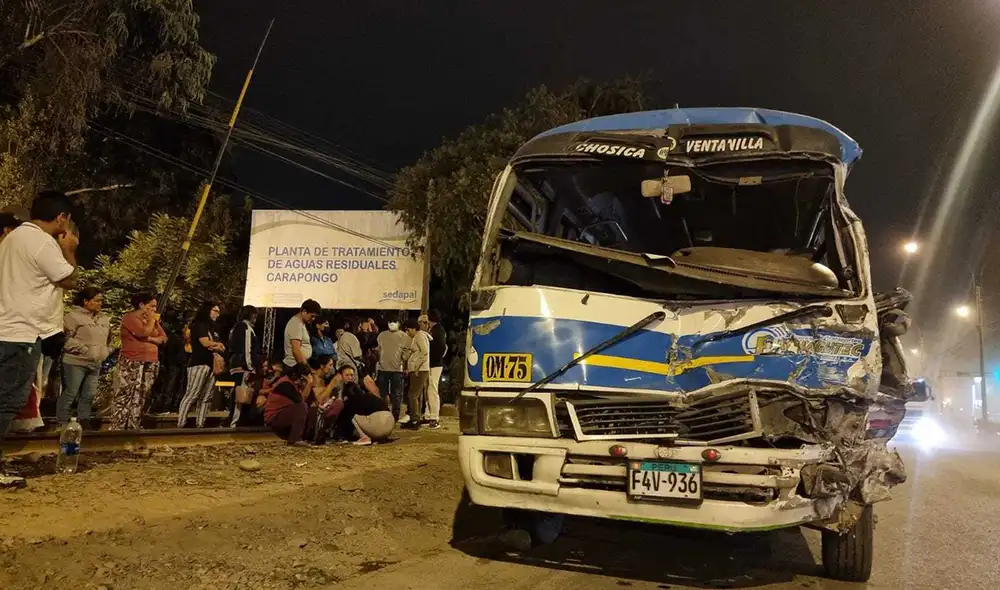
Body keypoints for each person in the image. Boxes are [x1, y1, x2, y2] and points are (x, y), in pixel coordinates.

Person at [0, 191, 79, 442]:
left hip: (6, 326)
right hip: (22, 333)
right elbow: (69, 279)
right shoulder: (42, 242)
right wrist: (69, 250)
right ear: (61, 218)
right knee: (8, 401)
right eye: (67, 220)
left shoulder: (13, 239)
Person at [111, 292, 167, 430]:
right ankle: (118, 426)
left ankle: (133, 424)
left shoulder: (153, 321)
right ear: (142, 305)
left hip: (150, 360)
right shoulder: (130, 317)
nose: (154, 309)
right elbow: (143, 332)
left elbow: (163, 338)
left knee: (142, 394)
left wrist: (150, 339)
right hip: (132, 359)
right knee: (126, 393)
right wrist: (151, 323)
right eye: (152, 306)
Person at [57, 287, 111, 427]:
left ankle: (84, 421)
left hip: (95, 362)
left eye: (101, 301)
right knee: (71, 393)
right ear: (86, 301)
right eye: (97, 300)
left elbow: (108, 338)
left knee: (89, 395)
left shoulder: (104, 319)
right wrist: (83, 349)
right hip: (75, 362)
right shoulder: (72, 317)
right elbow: (64, 339)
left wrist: (106, 351)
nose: (100, 303)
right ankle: (61, 422)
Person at [178, 301, 225, 428]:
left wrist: (215, 345)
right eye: (215, 311)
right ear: (207, 311)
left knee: (207, 396)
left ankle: (200, 424)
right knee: (193, 393)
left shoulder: (211, 328)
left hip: (210, 365)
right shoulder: (199, 326)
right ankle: (181, 423)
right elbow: (205, 343)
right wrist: (218, 345)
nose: (217, 314)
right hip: (198, 364)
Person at [336, 365, 394, 445]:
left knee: (351, 415)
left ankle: (364, 437)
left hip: (380, 423)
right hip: (390, 424)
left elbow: (348, 412)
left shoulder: (351, 390)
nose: (350, 378)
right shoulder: (360, 390)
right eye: (347, 375)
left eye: (351, 375)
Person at [262, 362, 313, 446]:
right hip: (274, 417)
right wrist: (309, 384)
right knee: (302, 407)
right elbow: (301, 400)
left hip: (284, 414)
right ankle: (295, 439)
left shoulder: (294, 384)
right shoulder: (285, 383)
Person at [227, 305, 260, 428]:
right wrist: (249, 366)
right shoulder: (245, 327)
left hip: (237, 365)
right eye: (254, 314)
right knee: (241, 395)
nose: (256, 317)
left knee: (238, 393)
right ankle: (235, 423)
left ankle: (235, 421)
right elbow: (247, 348)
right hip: (242, 366)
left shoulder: (237, 327)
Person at [401, 318, 431, 431]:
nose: (407, 332)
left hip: (420, 370)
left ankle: (415, 419)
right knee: (413, 394)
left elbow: (424, 352)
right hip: (417, 369)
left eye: (408, 330)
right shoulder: (416, 337)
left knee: (413, 395)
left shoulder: (419, 336)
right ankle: (414, 417)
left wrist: (417, 366)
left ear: (413, 328)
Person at [376, 321, 408, 421]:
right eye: (390, 322)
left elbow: (407, 352)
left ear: (398, 323)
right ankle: (383, 412)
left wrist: (404, 362)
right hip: (383, 368)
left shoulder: (404, 336)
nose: (391, 324)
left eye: (394, 322)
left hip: (397, 369)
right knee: (382, 393)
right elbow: (378, 349)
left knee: (397, 393)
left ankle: (395, 415)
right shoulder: (382, 335)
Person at [422, 310, 448, 429]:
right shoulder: (434, 330)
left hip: (435, 364)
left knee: (432, 389)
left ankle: (434, 417)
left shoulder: (438, 330)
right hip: (432, 363)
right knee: (428, 389)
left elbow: (442, 347)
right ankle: (428, 415)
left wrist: (435, 358)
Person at [284, 300, 321, 367]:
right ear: (304, 311)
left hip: (298, 365)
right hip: (294, 366)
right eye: (312, 316)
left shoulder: (301, 323)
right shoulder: (296, 323)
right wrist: (306, 369)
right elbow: (296, 351)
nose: (313, 319)